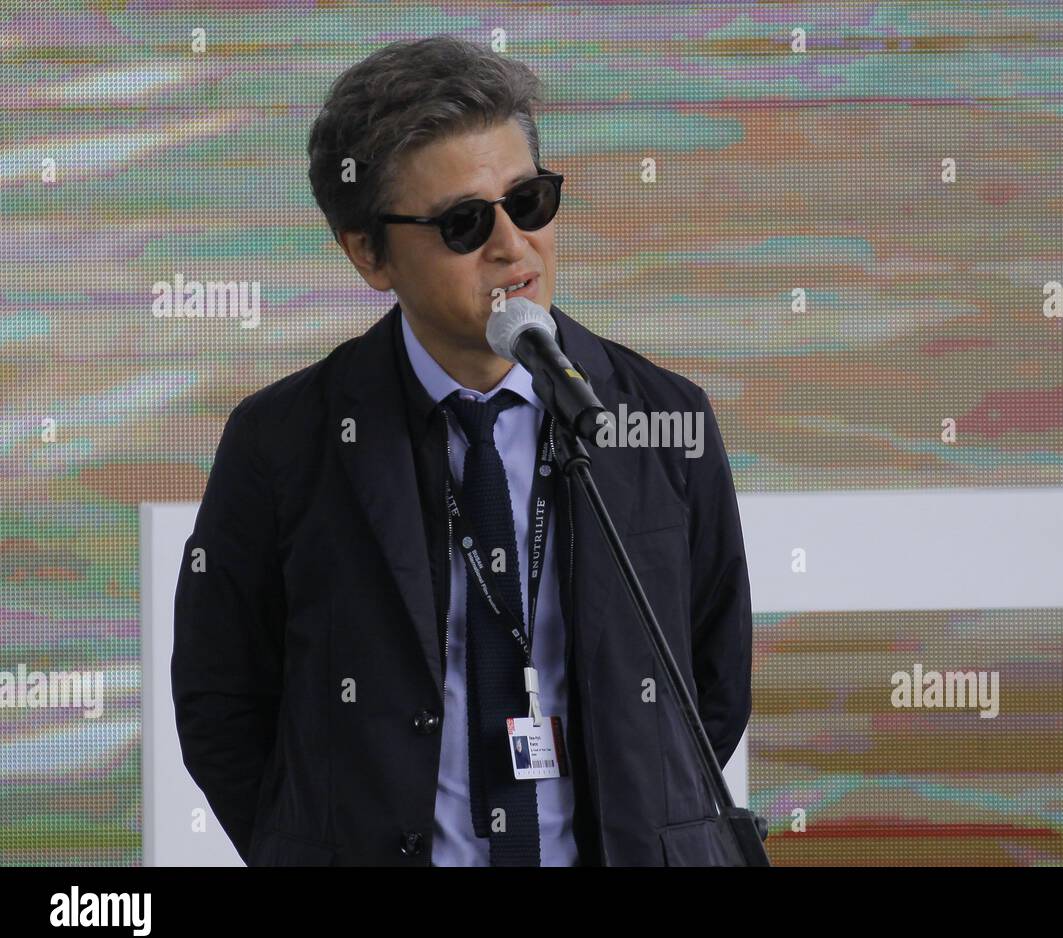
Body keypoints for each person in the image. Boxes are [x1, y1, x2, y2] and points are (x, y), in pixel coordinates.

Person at [171, 36, 752, 867]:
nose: (513, 246)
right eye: (463, 223)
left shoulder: (660, 416)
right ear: (368, 253)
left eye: (530, 201)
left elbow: (712, 686)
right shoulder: (283, 441)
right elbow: (222, 700)